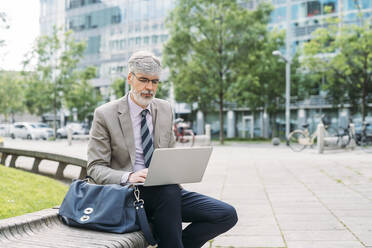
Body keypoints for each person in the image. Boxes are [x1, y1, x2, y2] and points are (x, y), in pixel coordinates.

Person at [87, 51, 237, 248]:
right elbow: (95, 168)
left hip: (166, 193)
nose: (149, 87)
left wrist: (178, 170)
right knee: (168, 192)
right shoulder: (105, 114)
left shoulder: (165, 109)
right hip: (127, 195)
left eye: (155, 82)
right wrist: (130, 176)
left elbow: (170, 156)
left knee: (225, 215)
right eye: (143, 80)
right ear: (130, 78)